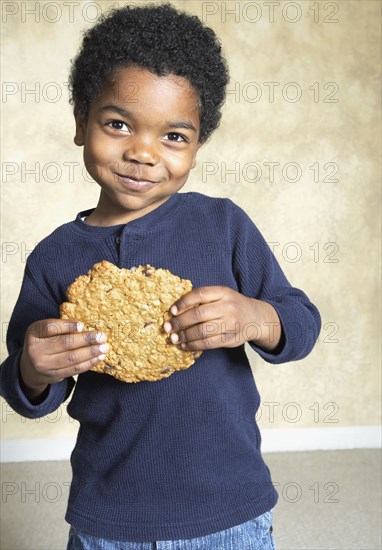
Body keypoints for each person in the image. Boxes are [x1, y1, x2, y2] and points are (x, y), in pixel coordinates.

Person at [0, 4, 321, 549]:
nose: (143, 152)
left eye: (173, 136)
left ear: (199, 144)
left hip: (228, 509)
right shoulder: (56, 256)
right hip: (108, 516)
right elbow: (24, 384)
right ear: (81, 121)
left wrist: (257, 316)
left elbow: (301, 322)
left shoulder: (222, 224)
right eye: (118, 124)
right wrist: (33, 369)